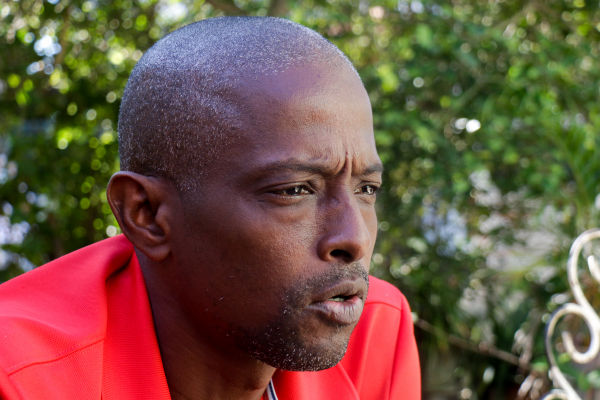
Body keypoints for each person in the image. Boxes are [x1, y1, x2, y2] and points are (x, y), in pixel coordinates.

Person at [0, 16, 420, 399]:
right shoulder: (21, 375)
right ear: (147, 215)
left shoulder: (373, 331)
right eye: (294, 191)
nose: (354, 238)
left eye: (366, 189)